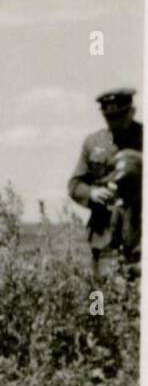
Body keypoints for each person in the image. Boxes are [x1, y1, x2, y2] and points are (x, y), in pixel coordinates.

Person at [68, 87, 143, 278]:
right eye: (109, 118)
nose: (114, 123)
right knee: (102, 298)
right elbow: (75, 184)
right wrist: (92, 193)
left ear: (131, 111)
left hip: (139, 235)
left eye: (119, 117)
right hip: (104, 236)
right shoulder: (93, 142)